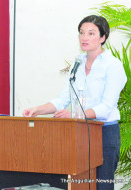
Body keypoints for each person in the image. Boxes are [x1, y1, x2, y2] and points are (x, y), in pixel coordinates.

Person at [23, 15, 126, 190]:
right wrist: (38, 109)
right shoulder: (77, 64)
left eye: (91, 33)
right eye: (81, 33)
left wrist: (76, 114)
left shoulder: (113, 65)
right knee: (78, 184)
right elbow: (63, 99)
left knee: (102, 186)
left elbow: (107, 106)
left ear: (103, 37)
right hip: (78, 134)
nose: (84, 37)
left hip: (104, 134)